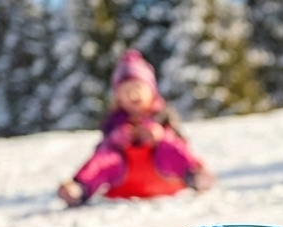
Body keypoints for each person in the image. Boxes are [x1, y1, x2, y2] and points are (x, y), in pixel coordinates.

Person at [58, 50, 213, 207]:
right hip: (125, 177)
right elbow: (102, 146)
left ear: (151, 91)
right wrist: (116, 139)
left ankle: (195, 175)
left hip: (163, 172)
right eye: (126, 90)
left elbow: (180, 140)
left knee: (169, 146)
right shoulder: (114, 120)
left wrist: (159, 135)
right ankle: (80, 187)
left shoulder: (162, 115)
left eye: (138, 88)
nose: (133, 94)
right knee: (105, 157)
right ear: (118, 96)